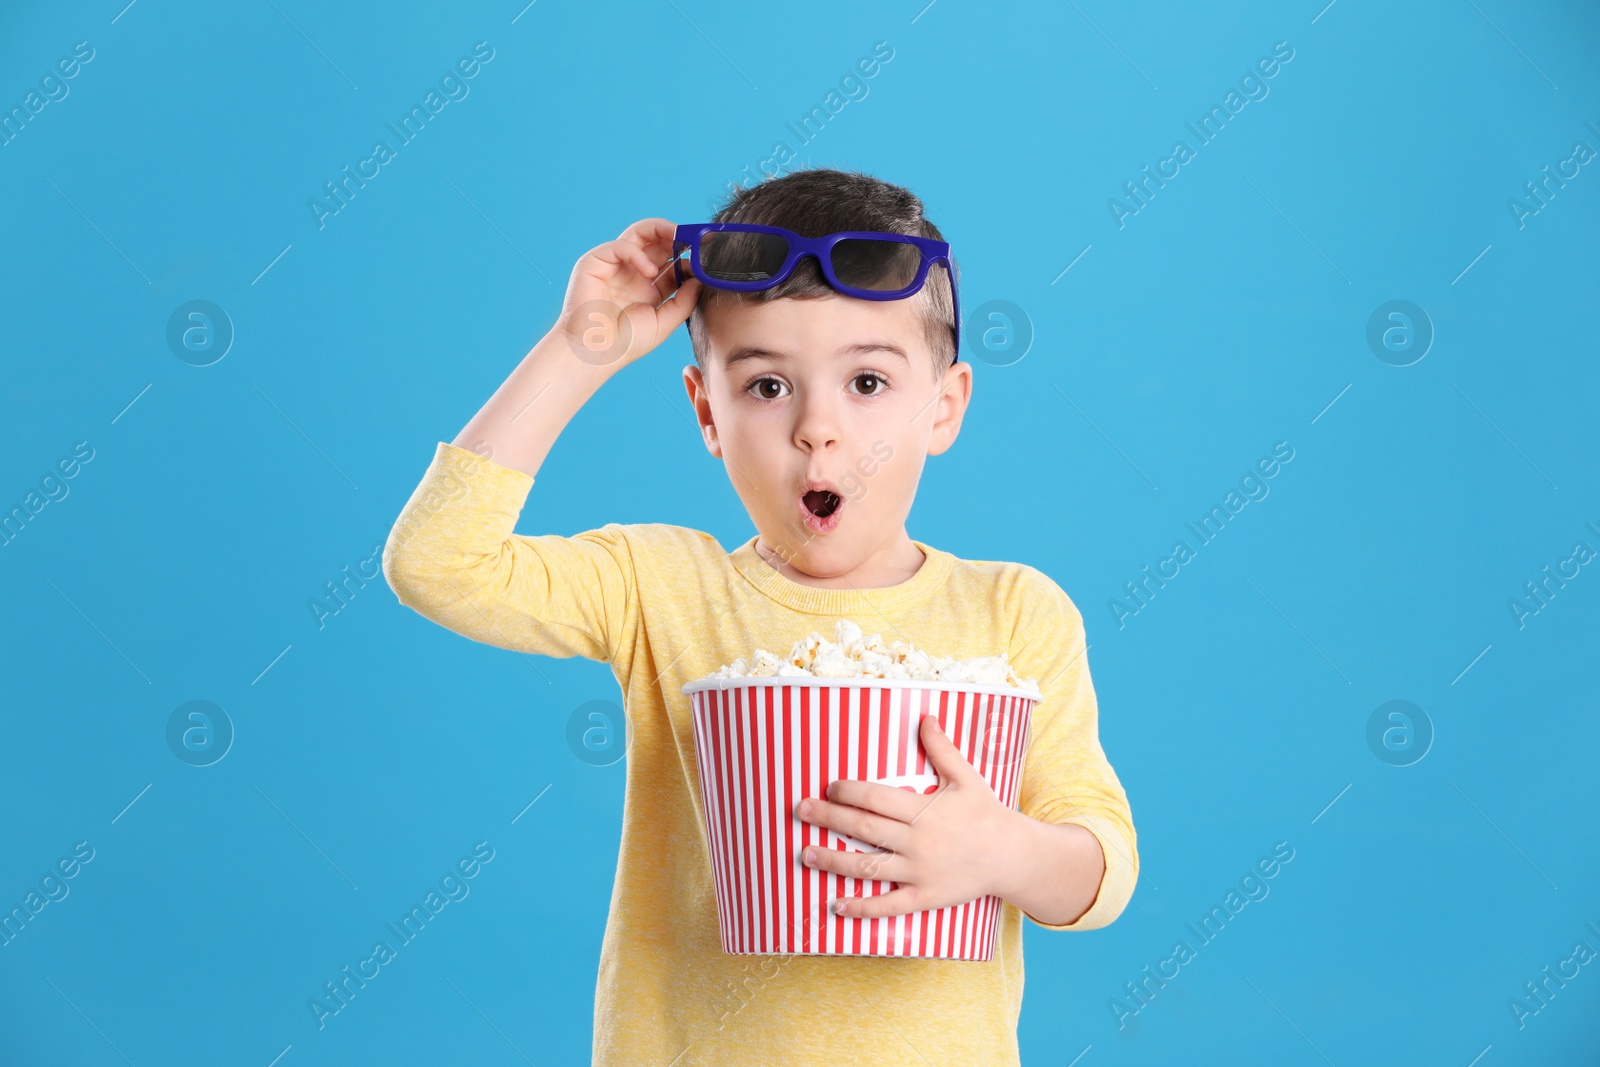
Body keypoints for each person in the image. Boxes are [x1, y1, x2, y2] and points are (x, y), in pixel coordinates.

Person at [382, 166, 1138, 1066]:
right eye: (768, 387)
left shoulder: (1014, 612)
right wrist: (581, 346)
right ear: (707, 410)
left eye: (866, 381)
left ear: (945, 406)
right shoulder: (658, 588)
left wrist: (1001, 851)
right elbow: (437, 563)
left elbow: (1103, 865)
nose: (818, 429)